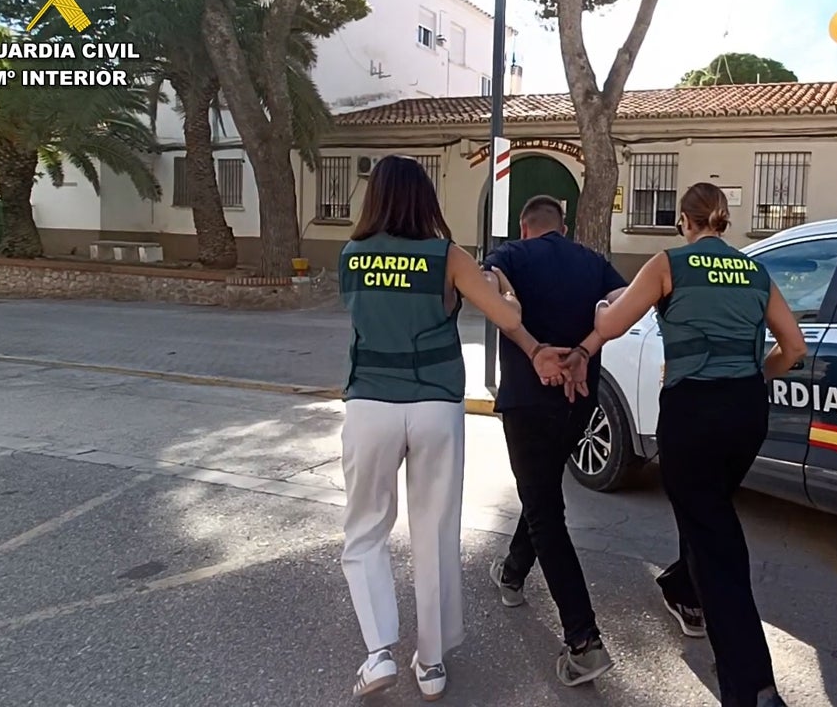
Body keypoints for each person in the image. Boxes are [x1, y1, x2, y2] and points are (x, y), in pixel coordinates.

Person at [339, 156, 568, 702]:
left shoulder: (350, 256)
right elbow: (508, 318)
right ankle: (433, 663)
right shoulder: (448, 257)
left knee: (365, 529)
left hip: (370, 403)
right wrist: (504, 288)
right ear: (426, 200)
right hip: (436, 407)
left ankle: (378, 654)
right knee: (435, 531)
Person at [593, 182, 807, 707]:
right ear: (724, 221)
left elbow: (613, 326)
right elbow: (794, 346)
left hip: (693, 412)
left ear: (684, 222)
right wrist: (756, 374)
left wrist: (605, 303)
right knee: (707, 508)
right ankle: (684, 590)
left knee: (718, 540)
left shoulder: (670, 263)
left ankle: (753, 685)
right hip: (746, 411)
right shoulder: (754, 270)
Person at [482, 195, 627, 686]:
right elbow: (622, 309)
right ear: (561, 228)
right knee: (541, 491)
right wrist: (586, 350)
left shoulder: (508, 257)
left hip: (527, 400)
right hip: (578, 398)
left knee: (545, 509)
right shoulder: (593, 262)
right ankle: (512, 573)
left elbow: (489, 296)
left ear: (526, 227)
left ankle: (584, 641)